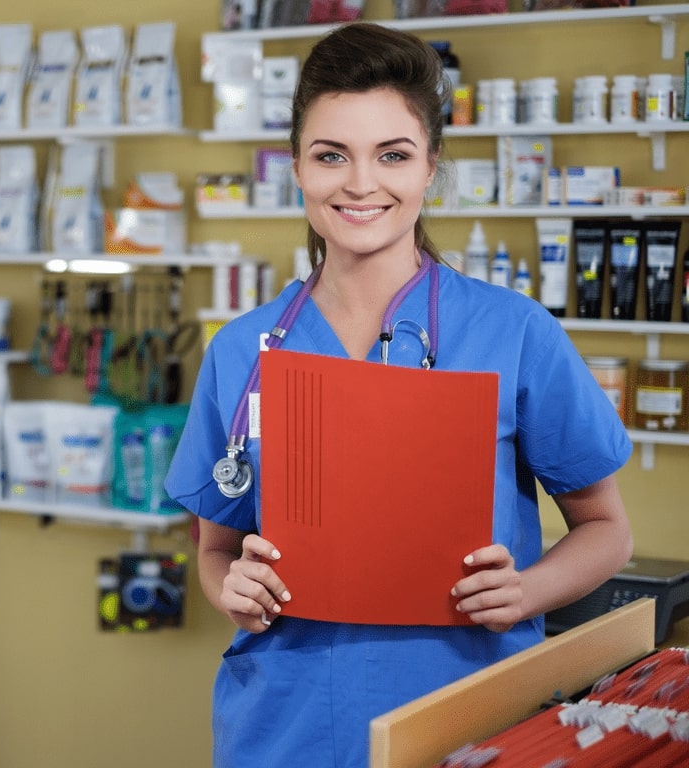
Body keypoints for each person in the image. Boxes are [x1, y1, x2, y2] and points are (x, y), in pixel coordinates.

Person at [164, 21, 633, 768]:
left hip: (468, 715)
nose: (360, 184)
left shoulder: (513, 332)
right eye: (331, 155)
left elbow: (607, 531)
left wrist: (528, 591)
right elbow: (215, 550)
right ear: (297, 166)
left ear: (430, 168)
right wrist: (233, 590)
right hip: (283, 727)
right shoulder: (241, 350)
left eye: (393, 155)